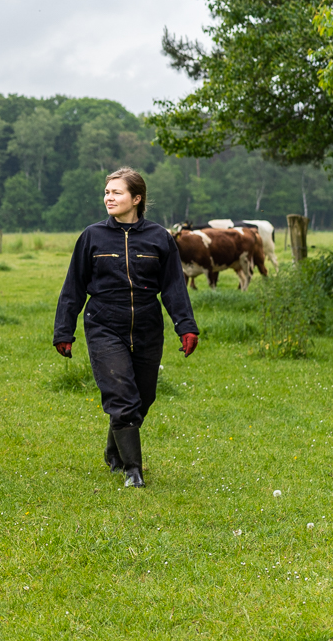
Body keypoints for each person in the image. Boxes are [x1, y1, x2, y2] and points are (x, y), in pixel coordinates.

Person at [53, 167, 199, 488]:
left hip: (148, 325)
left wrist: (186, 327)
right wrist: (64, 331)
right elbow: (73, 288)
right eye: (107, 192)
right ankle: (133, 470)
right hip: (104, 324)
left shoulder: (160, 238)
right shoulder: (92, 236)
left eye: (116, 192)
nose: (109, 197)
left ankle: (114, 451)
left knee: (143, 398)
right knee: (122, 395)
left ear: (136, 198)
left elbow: (174, 287)